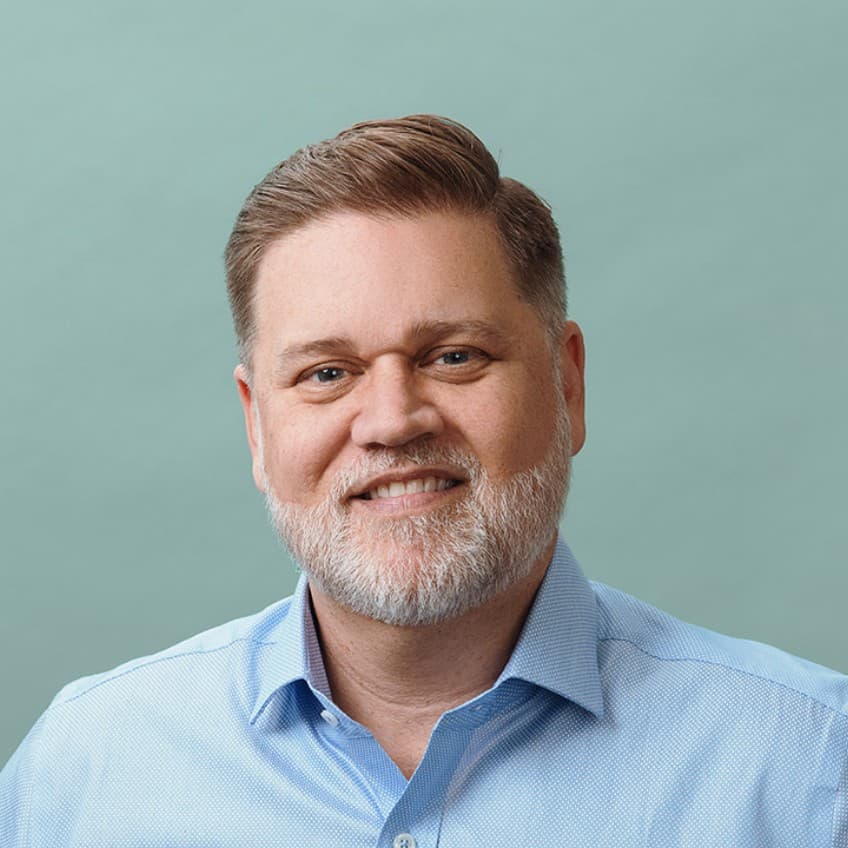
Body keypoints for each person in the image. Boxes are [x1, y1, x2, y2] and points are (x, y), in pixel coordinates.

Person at [1, 115, 846, 847]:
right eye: (328, 374)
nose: (393, 420)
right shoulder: (85, 772)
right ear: (258, 425)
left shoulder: (807, 768)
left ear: (568, 385)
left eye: (454, 357)